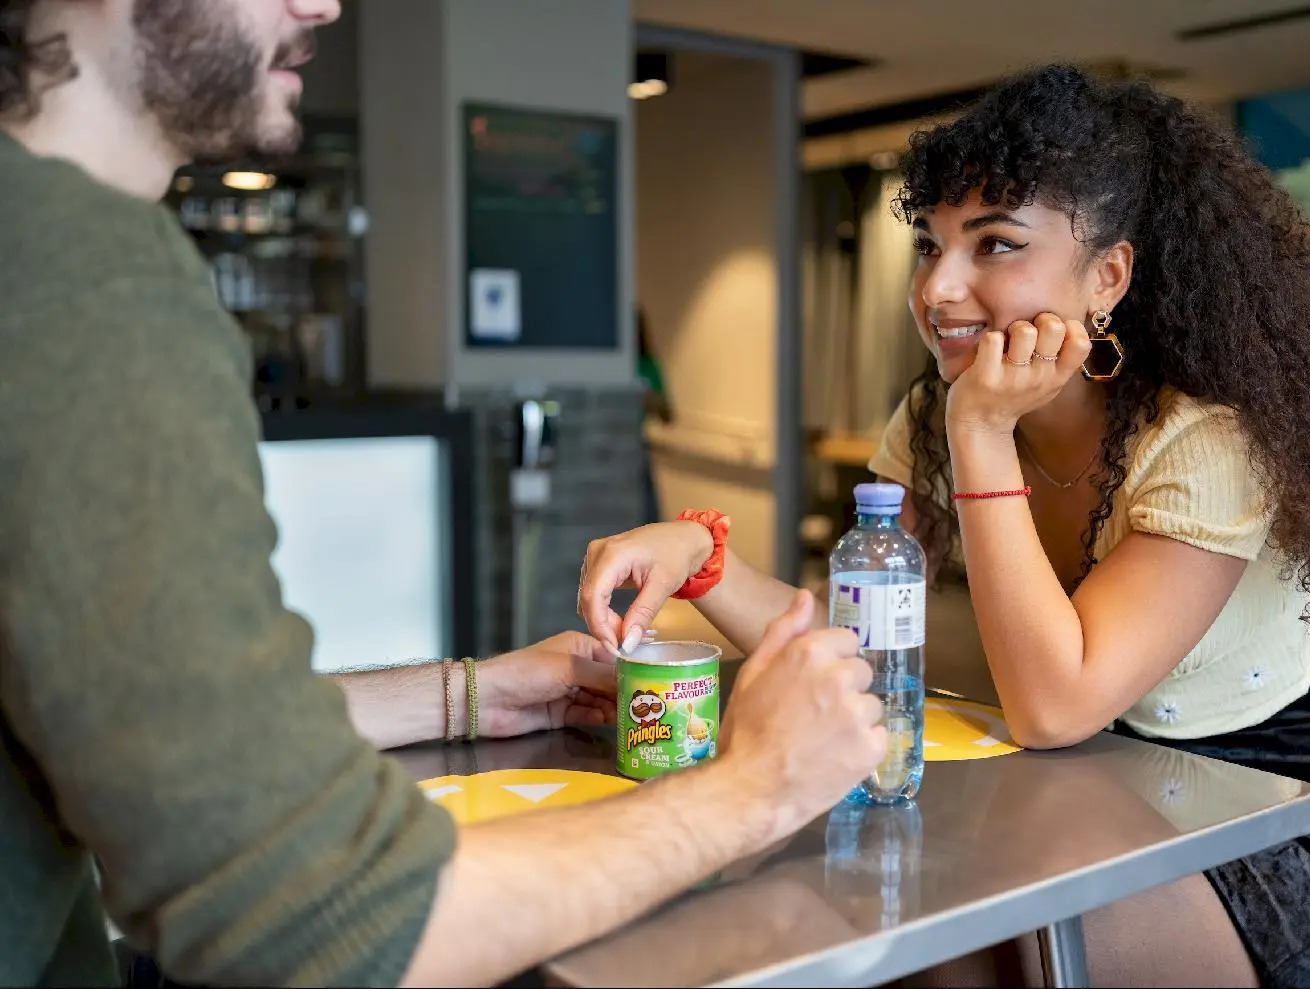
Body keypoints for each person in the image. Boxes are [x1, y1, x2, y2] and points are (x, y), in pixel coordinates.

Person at [0, 1, 887, 986]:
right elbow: (324, 916)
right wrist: (755, 786)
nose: (323, 3)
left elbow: (162, 734)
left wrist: (471, 692)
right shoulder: (85, 279)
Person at [580, 64, 1310, 987]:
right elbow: (852, 636)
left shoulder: (1205, 443)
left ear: (1108, 275)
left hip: (1270, 827)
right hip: (1080, 798)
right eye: (930, 244)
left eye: (993, 246)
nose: (939, 287)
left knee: (965, 942)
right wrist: (703, 556)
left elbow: (1056, 705)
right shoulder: (934, 416)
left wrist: (981, 432)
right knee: (861, 910)